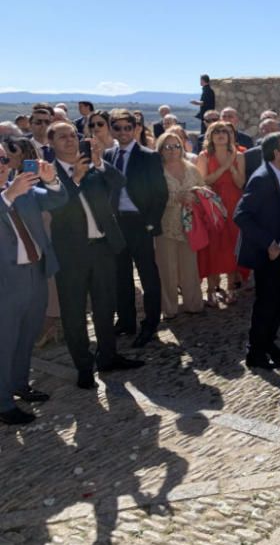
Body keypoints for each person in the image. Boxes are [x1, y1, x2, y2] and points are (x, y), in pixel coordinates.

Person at [47, 122, 144, 389]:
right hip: (71, 254)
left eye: (73, 136)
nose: (69, 140)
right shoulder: (49, 174)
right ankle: (83, 365)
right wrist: (76, 178)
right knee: (74, 312)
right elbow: (59, 208)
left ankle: (108, 356)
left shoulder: (91, 166)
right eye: (62, 137)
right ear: (51, 143)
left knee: (105, 306)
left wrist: (100, 162)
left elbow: (120, 182)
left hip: (102, 248)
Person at [0, 150, 66, 425]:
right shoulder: (12, 193)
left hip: (35, 275)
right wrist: (7, 197)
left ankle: (19, 384)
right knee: (4, 342)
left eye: (4, 160)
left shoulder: (22, 190)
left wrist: (51, 181)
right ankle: (3, 404)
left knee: (26, 336)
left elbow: (58, 200)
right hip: (6, 282)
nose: (2, 166)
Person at [103, 110, 169, 347]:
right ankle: (126, 321)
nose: (123, 132)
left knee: (148, 275)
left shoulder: (149, 156)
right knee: (121, 275)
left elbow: (160, 193)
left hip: (140, 222)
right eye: (117, 128)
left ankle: (151, 323)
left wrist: (151, 222)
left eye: (127, 128)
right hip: (116, 223)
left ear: (135, 129)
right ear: (112, 130)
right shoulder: (107, 155)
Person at [235, 133, 280, 369]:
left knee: (279, 302)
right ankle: (255, 354)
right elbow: (241, 215)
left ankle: (269, 345)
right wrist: (268, 243)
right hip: (270, 253)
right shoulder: (261, 178)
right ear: (276, 153)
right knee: (266, 304)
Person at [153, 133, 205, 320]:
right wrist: (176, 198)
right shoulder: (156, 171)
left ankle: (193, 303)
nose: (173, 150)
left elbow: (203, 189)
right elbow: (151, 197)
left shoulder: (192, 169)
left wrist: (197, 197)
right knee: (167, 269)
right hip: (165, 225)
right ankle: (169, 308)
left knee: (190, 267)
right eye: (167, 147)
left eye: (176, 146)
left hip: (190, 225)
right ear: (160, 150)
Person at [196, 121, 247, 307]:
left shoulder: (240, 156)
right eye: (216, 131)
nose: (220, 134)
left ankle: (231, 288)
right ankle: (211, 290)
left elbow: (241, 183)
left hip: (233, 203)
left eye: (224, 131)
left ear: (230, 136)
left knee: (232, 244)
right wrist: (224, 167)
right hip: (213, 204)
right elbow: (203, 181)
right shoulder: (204, 156)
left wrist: (231, 165)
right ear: (210, 135)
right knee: (213, 246)